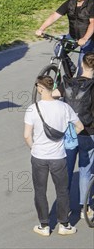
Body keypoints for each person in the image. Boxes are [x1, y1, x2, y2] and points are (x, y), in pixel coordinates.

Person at [24, 76, 83, 236]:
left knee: (40, 191)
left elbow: (27, 135)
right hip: (58, 157)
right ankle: (64, 224)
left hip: (39, 156)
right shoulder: (64, 108)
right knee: (62, 191)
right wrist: (66, 139)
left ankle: (44, 226)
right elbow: (79, 126)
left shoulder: (32, 109)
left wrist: (33, 148)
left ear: (40, 88)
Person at [57, 52, 94, 221]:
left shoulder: (69, 83)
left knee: (67, 171)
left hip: (70, 133)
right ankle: (84, 209)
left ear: (82, 65)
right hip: (89, 133)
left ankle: (62, 210)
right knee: (86, 171)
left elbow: (55, 94)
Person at [36, 0, 94, 76]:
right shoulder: (70, 3)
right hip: (73, 35)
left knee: (82, 67)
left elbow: (92, 23)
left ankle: (81, 87)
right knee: (59, 48)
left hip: (89, 38)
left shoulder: (92, 4)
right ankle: (71, 69)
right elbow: (55, 16)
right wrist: (41, 28)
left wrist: (85, 38)